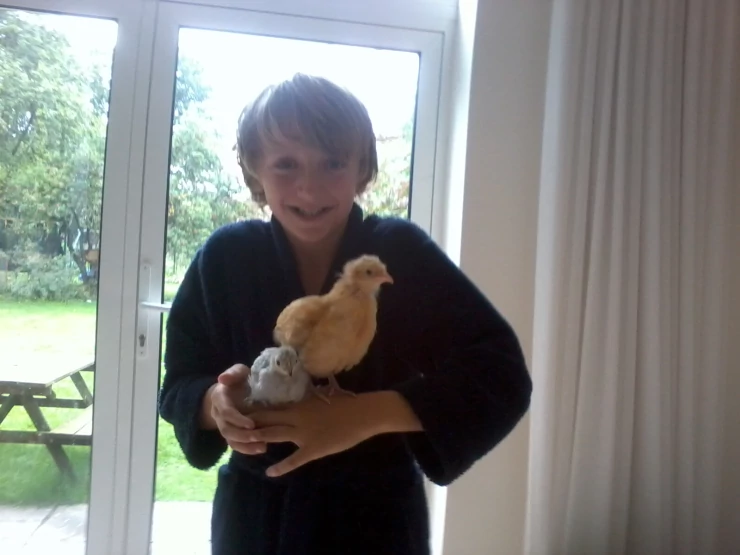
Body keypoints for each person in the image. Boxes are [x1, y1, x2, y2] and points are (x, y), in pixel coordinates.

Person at [158, 73, 532, 555]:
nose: (309, 188)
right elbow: (180, 382)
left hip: (375, 520)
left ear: (361, 168)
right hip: (256, 521)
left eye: (332, 162)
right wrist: (216, 404)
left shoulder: (401, 254)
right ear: (255, 170)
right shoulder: (225, 258)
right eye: (286, 164)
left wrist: (363, 416)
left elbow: (500, 373)